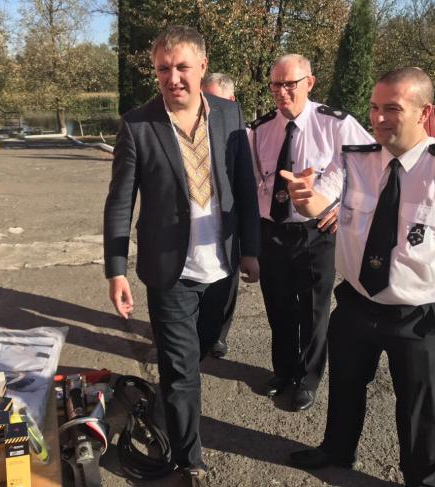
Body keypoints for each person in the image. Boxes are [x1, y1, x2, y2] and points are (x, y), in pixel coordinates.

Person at [284, 67, 435, 487]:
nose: (378, 118)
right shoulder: (356, 158)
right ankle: (337, 449)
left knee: (418, 405)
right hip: (356, 301)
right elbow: (325, 202)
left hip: (416, 315)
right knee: (345, 385)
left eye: (392, 109)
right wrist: (306, 203)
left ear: (424, 112)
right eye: (375, 107)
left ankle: (422, 478)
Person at [103, 26, 260, 485]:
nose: (173, 78)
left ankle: (173, 403)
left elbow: (245, 186)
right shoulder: (138, 125)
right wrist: (116, 270)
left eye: (182, 67)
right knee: (180, 369)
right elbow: (119, 202)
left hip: (222, 268)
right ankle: (189, 458)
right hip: (169, 272)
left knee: (203, 349)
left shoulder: (229, 114)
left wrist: (251, 250)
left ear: (202, 67)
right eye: (163, 69)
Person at [249, 54, 372, 411]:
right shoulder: (259, 131)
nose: (282, 92)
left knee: (315, 311)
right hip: (272, 231)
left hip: (315, 232)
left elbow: (371, 168)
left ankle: (308, 378)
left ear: (310, 82)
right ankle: (284, 371)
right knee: (278, 307)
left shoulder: (336, 124)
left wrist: (343, 208)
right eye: (276, 85)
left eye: (290, 84)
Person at [200, 72, 238, 358]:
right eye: (205, 98)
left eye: (216, 99)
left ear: (231, 100)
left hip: (232, 219)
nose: (209, 106)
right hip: (201, 222)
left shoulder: (241, 132)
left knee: (226, 283)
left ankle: (218, 335)